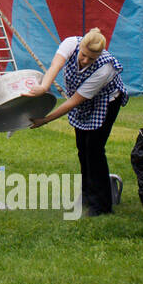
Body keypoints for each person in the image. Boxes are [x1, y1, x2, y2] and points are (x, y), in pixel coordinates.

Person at [27, 27, 129, 216]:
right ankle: (87, 193)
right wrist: (43, 87)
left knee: (95, 149)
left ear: (99, 56)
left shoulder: (105, 68)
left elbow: (74, 101)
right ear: (80, 47)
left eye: (91, 58)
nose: (85, 60)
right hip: (82, 100)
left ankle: (102, 205)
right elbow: (54, 67)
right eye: (83, 55)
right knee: (82, 147)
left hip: (106, 101)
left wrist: (45, 120)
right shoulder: (70, 43)